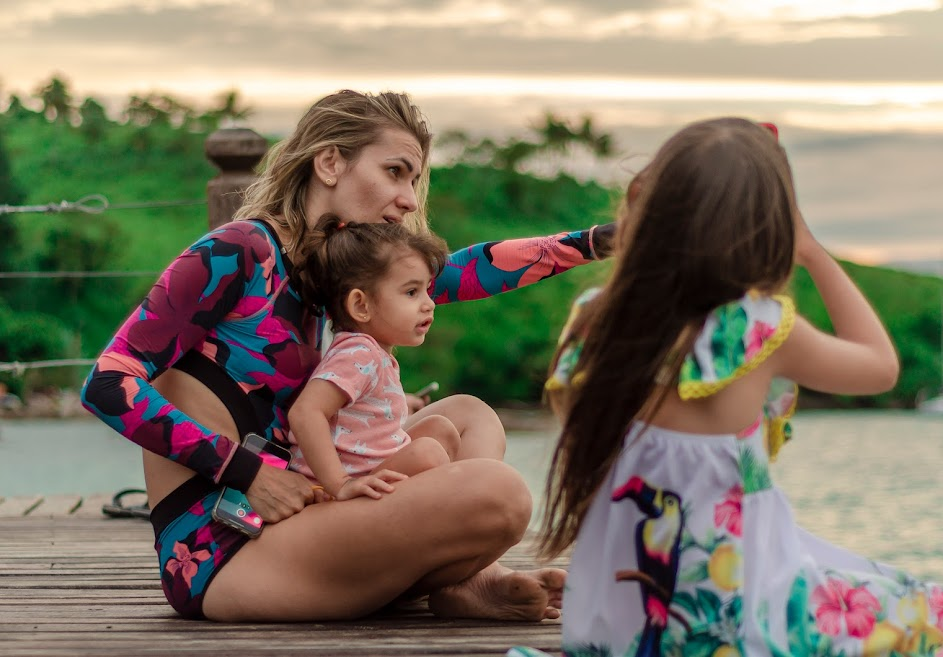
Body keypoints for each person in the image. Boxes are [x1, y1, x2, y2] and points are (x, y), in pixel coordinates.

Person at [81, 89, 616, 622]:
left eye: (413, 179)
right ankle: (471, 575)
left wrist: (595, 242)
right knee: (499, 493)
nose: (408, 198)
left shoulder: (331, 267)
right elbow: (108, 383)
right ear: (331, 162)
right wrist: (246, 472)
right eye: (395, 172)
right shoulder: (235, 253)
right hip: (228, 544)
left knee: (470, 415)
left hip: (309, 507)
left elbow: (465, 270)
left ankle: (464, 582)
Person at [509, 118, 943, 657]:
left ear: (641, 201)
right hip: (729, 611)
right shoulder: (759, 329)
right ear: (771, 228)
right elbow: (880, 368)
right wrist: (812, 252)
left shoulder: (590, 319)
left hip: (619, 620)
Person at [287, 218, 461, 501]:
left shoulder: (373, 352)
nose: (428, 303)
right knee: (428, 452)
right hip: (334, 488)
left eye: (427, 290)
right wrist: (339, 483)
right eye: (411, 292)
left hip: (368, 469)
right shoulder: (359, 352)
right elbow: (305, 413)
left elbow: (362, 404)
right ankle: (444, 523)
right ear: (361, 305)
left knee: (441, 429)